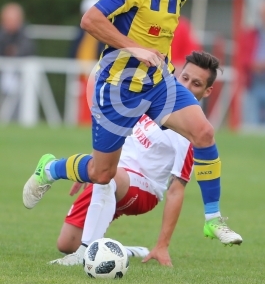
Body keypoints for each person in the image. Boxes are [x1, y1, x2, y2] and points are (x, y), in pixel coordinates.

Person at [23, 0, 230, 247]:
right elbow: (90, 19)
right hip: (118, 88)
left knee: (204, 132)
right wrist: (132, 47)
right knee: (101, 173)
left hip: (158, 83)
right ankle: (51, 168)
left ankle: (213, 218)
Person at [45, 53, 242, 266]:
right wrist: (91, 166)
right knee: (66, 243)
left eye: (196, 84)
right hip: (110, 174)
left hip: (143, 190)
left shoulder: (193, 131)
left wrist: (162, 245)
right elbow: (117, 134)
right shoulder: (154, 99)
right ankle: (124, 251)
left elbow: (176, 189)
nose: (186, 86)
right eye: (184, 78)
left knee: (109, 178)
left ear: (207, 91)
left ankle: (84, 254)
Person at [0, 3, 35, 119]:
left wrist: (15, 52)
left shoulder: (25, 34)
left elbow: (28, 50)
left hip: (21, 79)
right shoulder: (2, 35)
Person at [240, 0, 265, 125]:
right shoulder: (251, 34)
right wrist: (254, 65)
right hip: (253, 84)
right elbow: (242, 58)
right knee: (250, 124)